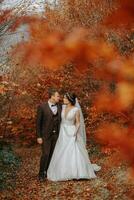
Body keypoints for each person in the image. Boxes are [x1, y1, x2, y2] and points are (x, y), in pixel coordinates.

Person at [47, 92, 101, 181]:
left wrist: (75, 133)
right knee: (61, 151)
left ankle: (77, 172)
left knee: (73, 151)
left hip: (72, 131)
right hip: (62, 132)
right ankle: (62, 171)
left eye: (65, 98)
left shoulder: (76, 110)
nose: (63, 99)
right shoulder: (62, 107)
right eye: (63, 98)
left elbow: (78, 122)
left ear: (70, 100)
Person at [36, 88, 62, 181]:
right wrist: (39, 136)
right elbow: (38, 123)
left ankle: (47, 172)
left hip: (56, 135)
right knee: (45, 154)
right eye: (57, 96)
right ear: (52, 96)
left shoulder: (60, 106)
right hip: (45, 135)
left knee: (52, 154)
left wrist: (74, 101)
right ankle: (41, 173)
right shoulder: (42, 106)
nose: (59, 97)